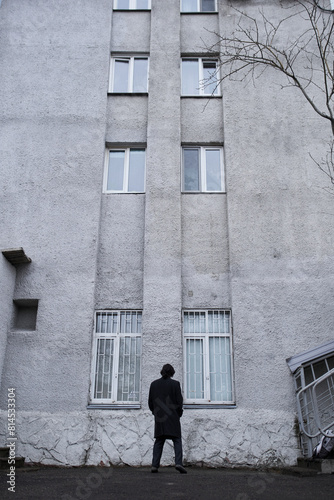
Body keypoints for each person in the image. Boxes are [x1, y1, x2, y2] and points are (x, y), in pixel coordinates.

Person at [148, 363, 187, 474]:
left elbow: (150, 402)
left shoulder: (154, 384)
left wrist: (155, 413)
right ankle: (178, 463)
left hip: (160, 417)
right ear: (172, 373)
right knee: (177, 440)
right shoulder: (175, 384)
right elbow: (179, 402)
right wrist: (178, 414)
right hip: (173, 416)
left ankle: (155, 465)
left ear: (162, 371)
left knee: (159, 440)